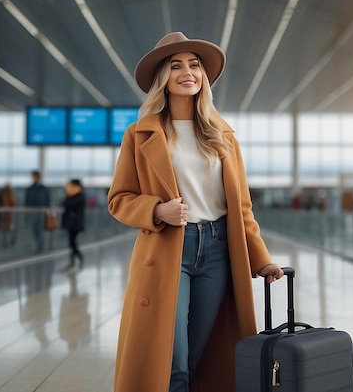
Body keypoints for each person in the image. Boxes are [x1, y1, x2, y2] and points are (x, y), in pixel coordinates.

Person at [107, 31, 284, 392]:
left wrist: (260, 258)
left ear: (202, 75)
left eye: (194, 65)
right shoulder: (139, 135)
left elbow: (241, 206)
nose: (187, 72)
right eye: (176, 66)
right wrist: (157, 209)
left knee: (197, 356)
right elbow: (119, 198)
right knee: (171, 358)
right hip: (170, 247)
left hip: (218, 249)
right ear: (163, 79)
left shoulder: (223, 137)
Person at [60, 179, 85, 271]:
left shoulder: (80, 196)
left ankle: (78, 258)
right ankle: (73, 261)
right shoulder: (71, 196)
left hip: (75, 223)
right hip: (71, 223)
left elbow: (67, 204)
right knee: (71, 243)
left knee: (73, 243)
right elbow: (63, 203)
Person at [25, 170, 50, 253]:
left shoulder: (44, 189)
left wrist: (47, 209)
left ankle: (41, 246)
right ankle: (39, 245)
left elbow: (47, 200)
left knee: (40, 229)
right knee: (35, 229)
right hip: (33, 211)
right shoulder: (30, 189)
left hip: (41, 211)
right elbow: (27, 200)